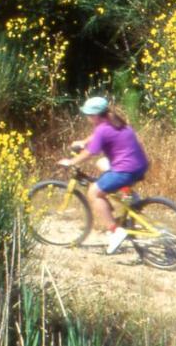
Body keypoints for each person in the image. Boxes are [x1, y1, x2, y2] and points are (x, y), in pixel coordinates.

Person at [58, 96, 149, 255]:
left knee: (94, 193)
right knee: (101, 163)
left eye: (88, 115)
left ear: (95, 116)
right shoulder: (118, 122)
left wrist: (71, 162)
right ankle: (129, 195)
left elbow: (90, 152)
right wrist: (82, 141)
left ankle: (115, 231)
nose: (87, 118)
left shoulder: (102, 130)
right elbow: (94, 139)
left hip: (125, 170)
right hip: (140, 166)